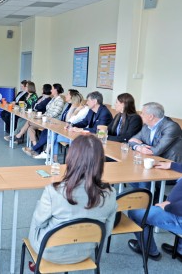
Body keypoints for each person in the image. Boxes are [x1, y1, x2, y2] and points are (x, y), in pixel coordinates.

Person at [27, 135, 117, 269]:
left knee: (37, 218)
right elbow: (107, 232)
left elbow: (40, 222)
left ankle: (37, 262)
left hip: (49, 251)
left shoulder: (54, 191)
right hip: (85, 252)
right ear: (100, 162)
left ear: (71, 158)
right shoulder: (110, 193)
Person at [127, 160, 182, 261]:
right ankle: (180, 251)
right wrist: (171, 165)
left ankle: (150, 251)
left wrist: (168, 207)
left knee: (134, 213)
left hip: (177, 214)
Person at [128, 102, 182, 189]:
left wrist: (140, 145)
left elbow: (155, 151)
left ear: (151, 116)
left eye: (143, 113)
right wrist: (139, 147)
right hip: (154, 163)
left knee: (143, 178)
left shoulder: (171, 127)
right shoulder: (146, 126)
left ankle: (149, 199)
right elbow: (131, 140)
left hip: (171, 167)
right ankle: (151, 197)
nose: (140, 115)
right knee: (131, 174)